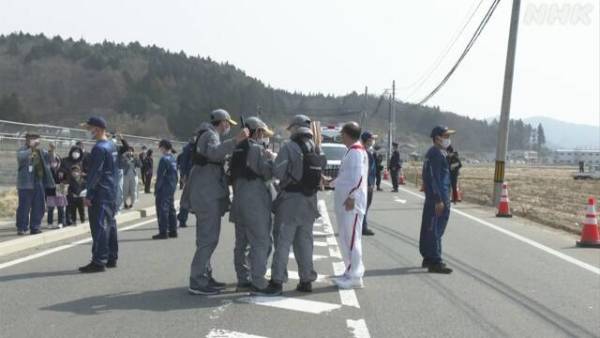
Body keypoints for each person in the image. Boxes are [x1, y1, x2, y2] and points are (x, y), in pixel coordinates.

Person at [184, 109, 249, 295]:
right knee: (208, 239)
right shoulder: (211, 135)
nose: (229, 127)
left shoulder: (205, 134)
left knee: (206, 239)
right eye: (228, 123)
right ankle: (197, 281)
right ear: (223, 122)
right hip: (207, 195)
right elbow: (213, 154)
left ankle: (205, 275)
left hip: (204, 193)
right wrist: (236, 140)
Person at [257, 115, 321, 296]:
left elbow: (278, 171)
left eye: (291, 127)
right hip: (310, 200)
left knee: (283, 242)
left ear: (296, 128)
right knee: (305, 242)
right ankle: (306, 279)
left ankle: (277, 281)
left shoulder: (289, 147)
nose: (290, 131)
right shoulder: (316, 147)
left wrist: (270, 160)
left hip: (291, 201)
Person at [229, 117, 276, 292]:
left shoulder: (237, 149)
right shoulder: (257, 149)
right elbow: (268, 174)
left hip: (239, 198)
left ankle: (243, 278)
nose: (263, 136)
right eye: (262, 132)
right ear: (257, 132)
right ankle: (258, 280)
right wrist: (271, 159)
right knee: (261, 241)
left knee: (241, 242)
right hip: (255, 201)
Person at [78, 116, 119, 273]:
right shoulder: (112, 146)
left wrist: (89, 195)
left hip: (100, 191)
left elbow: (95, 174)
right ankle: (111, 256)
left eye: (90, 129)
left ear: (99, 129)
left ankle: (98, 260)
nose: (89, 132)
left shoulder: (99, 148)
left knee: (99, 226)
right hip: (110, 189)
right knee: (110, 224)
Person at [331, 122, 368, 289]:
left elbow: (358, 177)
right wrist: (330, 182)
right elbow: (346, 175)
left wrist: (352, 196)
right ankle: (350, 270)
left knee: (352, 239)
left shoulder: (356, 152)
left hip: (351, 203)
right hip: (346, 201)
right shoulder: (352, 151)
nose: (341, 136)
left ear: (347, 134)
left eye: (342, 133)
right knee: (347, 238)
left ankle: (355, 276)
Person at [420, 125, 455, 274]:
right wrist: (438, 199)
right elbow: (433, 178)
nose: (448, 139)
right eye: (446, 136)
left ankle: (428, 257)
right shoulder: (435, 154)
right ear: (437, 138)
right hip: (438, 198)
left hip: (436, 197)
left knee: (429, 228)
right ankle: (435, 260)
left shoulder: (435, 153)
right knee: (436, 229)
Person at [16, 133, 55, 236]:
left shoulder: (41, 151)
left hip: (39, 183)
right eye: (31, 139)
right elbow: (21, 158)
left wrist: (52, 150)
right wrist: (31, 149)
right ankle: (22, 227)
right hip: (25, 184)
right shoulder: (22, 150)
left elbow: (51, 161)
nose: (34, 141)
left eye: (36, 139)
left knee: (39, 206)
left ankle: (35, 227)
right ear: (27, 140)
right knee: (24, 207)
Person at [152, 140, 179, 239]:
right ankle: (173, 230)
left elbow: (160, 176)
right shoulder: (173, 158)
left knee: (162, 209)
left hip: (164, 187)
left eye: (160, 147)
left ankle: (163, 232)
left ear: (163, 147)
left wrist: (156, 189)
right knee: (171, 209)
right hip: (172, 186)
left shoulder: (164, 159)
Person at [46, 148, 68, 229]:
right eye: (51, 162)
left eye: (55, 161)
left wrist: (64, 183)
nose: (53, 163)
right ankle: (49, 222)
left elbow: (67, 179)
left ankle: (60, 222)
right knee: (50, 208)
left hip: (60, 189)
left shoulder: (63, 170)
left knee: (61, 207)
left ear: (58, 162)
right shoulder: (48, 171)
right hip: (50, 190)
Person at [361, 132, 377, 236]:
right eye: (371, 139)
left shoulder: (366, 152)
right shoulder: (365, 153)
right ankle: (363, 227)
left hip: (367, 184)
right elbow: (366, 171)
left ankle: (362, 226)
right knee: (364, 206)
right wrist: (369, 184)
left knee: (364, 206)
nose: (372, 141)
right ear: (367, 140)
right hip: (366, 185)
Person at [176, 138, 194, 228]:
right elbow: (183, 163)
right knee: (187, 199)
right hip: (191, 175)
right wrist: (183, 175)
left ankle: (182, 217)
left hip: (198, 175)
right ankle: (182, 218)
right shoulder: (189, 148)